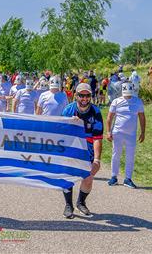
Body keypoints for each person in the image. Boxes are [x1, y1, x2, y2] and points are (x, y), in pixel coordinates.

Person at [61, 83, 103, 218]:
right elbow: (60, 133)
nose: (84, 98)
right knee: (67, 176)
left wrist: (97, 159)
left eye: (87, 95)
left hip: (87, 148)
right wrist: (71, 124)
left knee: (89, 177)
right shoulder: (68, 110)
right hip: (71, 147)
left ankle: (81, 202)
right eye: (81, 95)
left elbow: (97, 137)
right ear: (76, 96)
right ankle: (68, 205)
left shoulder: (96, 112)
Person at [106, 81, 146, 189]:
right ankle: (113, 177)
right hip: (117, 133)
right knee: (116, 155)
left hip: (131, 134)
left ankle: (128, 179)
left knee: (130, 156)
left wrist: (143, 132)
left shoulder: (138, 102)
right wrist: (108, 132)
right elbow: (109, 117)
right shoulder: (116, 101)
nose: (127, 95)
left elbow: (142, 117)